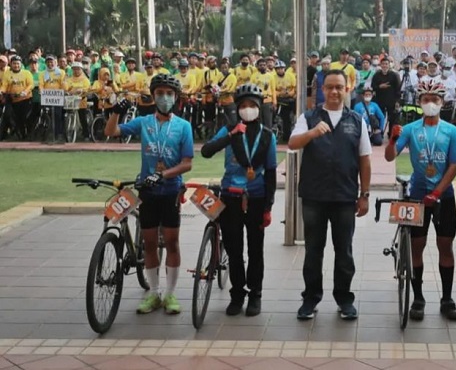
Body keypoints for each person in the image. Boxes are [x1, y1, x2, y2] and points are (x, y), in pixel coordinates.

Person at [105, 74, 194, 314]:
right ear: (153, 96)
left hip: (171, 191)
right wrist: (115, 111)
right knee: (150, 244)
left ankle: (170, 295)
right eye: (160, 93)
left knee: (172, 242)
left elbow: (187, 163)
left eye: (169, 93)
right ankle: (154, 293)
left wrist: (164, 175)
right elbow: (111, 131)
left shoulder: (183, 126)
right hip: (147, 192)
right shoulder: (144, 122)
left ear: (175, 97)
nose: (164, 97)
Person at [288, 70, 371, 321]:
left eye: (339, 87)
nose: (335, 91)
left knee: (344, 251)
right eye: (330, 87)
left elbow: (365, 160)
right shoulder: (309, 117)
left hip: (345, 198)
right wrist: (312, 133)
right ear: (322, 90)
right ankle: (310, 300)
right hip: (314, 196)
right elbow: (292, 144)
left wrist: (364, 194)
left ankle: (344, 300)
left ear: (347, 90)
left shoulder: (356, 120)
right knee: (314, 250)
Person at [384, 80, 456, 321]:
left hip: (443, 197)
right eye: (426, 99)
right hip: (416, 194)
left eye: (435, 99)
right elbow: (389, 157)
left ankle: (447, 298)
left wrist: (437, 192)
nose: (431, 103)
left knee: (445, 246)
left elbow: (454, 166)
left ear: (442, 102)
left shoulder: (452, 131)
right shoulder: (410, 129)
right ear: (419, 102)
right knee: (417, 247)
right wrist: (391, 139)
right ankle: (417, 297)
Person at [201, 84, 278, 317]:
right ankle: (237, 294)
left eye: (251, 105)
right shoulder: (229, 129)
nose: (247, 109)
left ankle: (255, 294)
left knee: (256, 249)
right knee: (234, 249)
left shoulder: (267, 135)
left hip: (256, 197)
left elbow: (272, 172)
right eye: (243, 105)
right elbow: (206, 151)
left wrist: (268, 206)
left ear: (258, 107)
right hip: (230, 196)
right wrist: (231, 135)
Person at [0, 56, 34, 140]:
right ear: (11, 64)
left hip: (25, 99)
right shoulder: (7, 74)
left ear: (21, 64)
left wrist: (25, 92)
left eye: (18, 64)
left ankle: (25, 135)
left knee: (23, 118)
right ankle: (11, 133)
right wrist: (1, 91)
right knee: (9, 115)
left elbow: (31, 84)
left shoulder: (26, 73)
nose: (16, 65)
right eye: (14, 63)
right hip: (13, 99)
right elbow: (4, 85)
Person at [370, 58, 401, 137]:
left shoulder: (394, 75)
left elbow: (398, 89)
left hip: (392, 100)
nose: (385, 66)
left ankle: (391, 134)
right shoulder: (376, 75)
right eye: (383, 64)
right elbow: (372, 86)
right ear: (380, 65)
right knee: (380, 117)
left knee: (392, 118)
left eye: (386, 64)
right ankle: (379, 133)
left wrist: (397, 101)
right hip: (380, 100)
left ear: (389, 65)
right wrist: (379, 86)